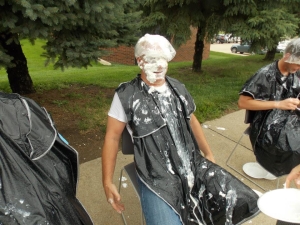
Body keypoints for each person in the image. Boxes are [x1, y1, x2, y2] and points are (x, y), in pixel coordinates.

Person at [102, 33, 260, 225]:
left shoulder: (177, 87)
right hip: (156, 174)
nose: (160, 65)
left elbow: (192, 120)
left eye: (163, 59)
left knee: (242, 200)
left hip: (192, 162)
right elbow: (112, 137)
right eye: (153, 59)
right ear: (140, 60)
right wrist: (107, 181)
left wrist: (208, 152)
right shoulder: (127, 95)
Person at [238, 38, 300, 177]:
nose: (299, 68)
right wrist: (278, 104)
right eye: (298, 64)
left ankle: (277, 168)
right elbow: (243, 102)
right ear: (288, 55)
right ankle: (271, 167)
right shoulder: (265, 75)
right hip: (264, 125)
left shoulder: (296, 72)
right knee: (288, 146)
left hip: (287, 120)